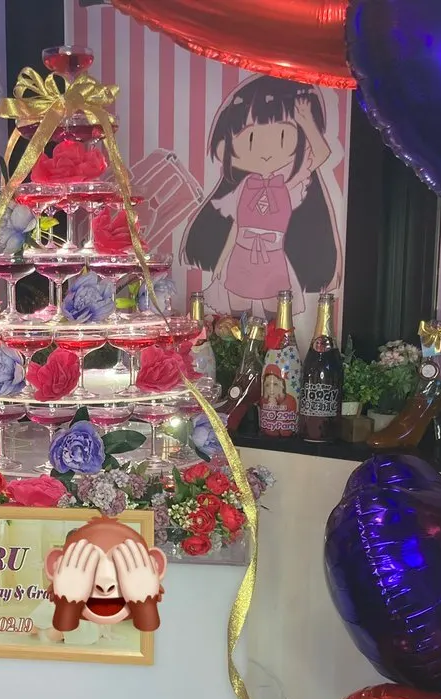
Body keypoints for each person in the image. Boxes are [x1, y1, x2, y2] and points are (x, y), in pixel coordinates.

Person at [182, 76, 343, 320]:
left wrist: (306, 121)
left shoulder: (289, 185)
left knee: (275, 317)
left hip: (272, 259)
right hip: (240, 257)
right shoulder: (245, 186)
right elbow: (237, 226)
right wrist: (221, 263)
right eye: (250, 138)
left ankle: (272, 344)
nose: (266, 150)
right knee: (237, 320)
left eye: (283, 136)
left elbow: (321, 153)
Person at [258, 365, 297, 437]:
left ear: (281, 385)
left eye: (275, 384)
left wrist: (274, 410)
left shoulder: (290, 400)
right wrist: (271, 410)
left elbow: (286, 433)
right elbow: (269, 432)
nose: (271, 389)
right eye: (267, 385)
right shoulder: (263, 400)